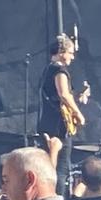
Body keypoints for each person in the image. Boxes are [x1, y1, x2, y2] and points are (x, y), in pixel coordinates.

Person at [36, 35, 85, 176]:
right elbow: (63, 94)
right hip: (58, 126)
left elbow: (57, 96)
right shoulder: (59, 71)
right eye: (70, 53)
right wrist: (78, 113)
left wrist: (77, 97)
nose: (72, 57)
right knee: (61, 169)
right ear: (61, 52)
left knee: (50, 166)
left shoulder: (47, 70)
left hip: (47, 123)